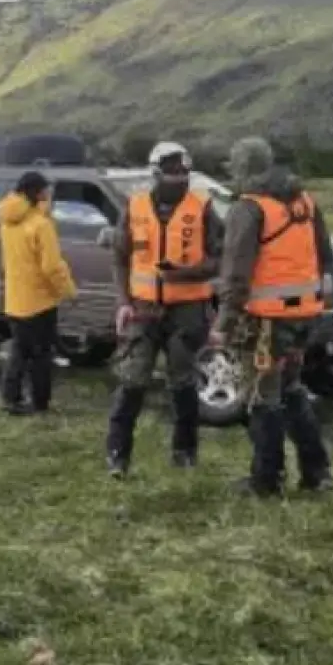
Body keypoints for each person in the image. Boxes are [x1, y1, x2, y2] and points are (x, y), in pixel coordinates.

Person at [210, 137, 333, 497]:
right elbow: (326, 256)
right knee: (292, 389)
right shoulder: (305, 202)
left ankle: (266, 480)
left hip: (265, 321)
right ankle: (317, 471)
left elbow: (235, 274)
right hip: (304, 317)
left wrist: (223, 324)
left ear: (243, 169)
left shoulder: (247, 209)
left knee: (263, 397)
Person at [105, 141, 224, 477]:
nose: (179, 181)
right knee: (132, 381)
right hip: (143, 310)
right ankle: (117, 456)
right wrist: (123, 303)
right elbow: (120, 257)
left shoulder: (203, 208)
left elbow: (221, 258)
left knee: (183, 383)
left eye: (184, 174)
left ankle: (184, 454)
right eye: (172, 174)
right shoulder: (135, 206)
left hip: (187, 310)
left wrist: (185, 273)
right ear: (156, 174)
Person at [0, 171, 77, 415]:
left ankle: (11, 398)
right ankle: (40, 402)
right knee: (41, 354)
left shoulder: (6, 221)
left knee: (19, 351)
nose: (49, 193)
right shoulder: (41, 225)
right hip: (39, 300)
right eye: (46, 189)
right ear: (37, 192)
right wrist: (68, 290)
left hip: (15, 299)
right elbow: (51, 266)